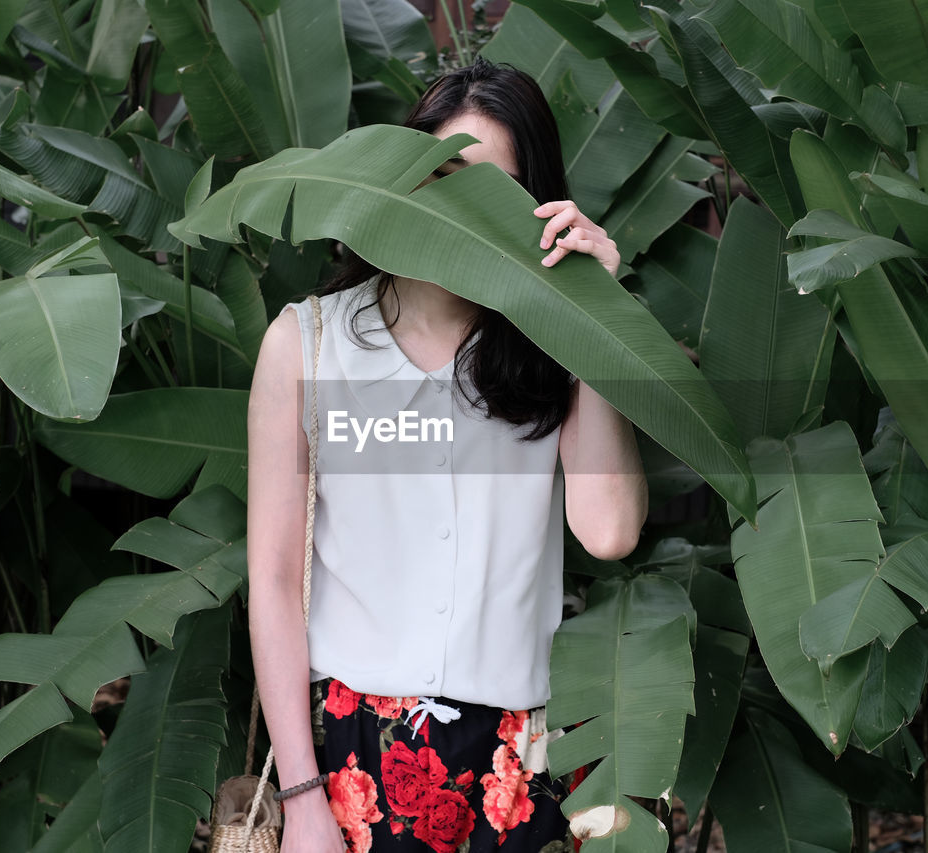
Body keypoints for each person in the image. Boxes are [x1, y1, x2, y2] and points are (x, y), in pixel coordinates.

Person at [247, 57, 648, 853]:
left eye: (493, 187)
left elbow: (609, 532)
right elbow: (272, 577)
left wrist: (598, 318)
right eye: (444, 173)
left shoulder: (549, 350)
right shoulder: (308, 343)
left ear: (535, 204)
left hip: (519, 761)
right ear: (406, 176)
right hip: (351, 758)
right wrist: (301, 798)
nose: (463, 204)